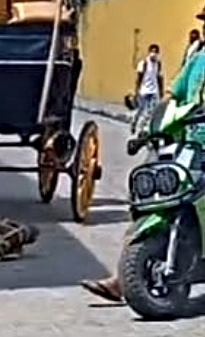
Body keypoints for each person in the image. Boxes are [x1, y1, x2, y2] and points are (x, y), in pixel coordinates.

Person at [81, 45, 205, 303]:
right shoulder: (198, 60)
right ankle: (122, 279)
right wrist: (153, 123)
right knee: (159, 201)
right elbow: (172, 93)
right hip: (190, 145)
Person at [131, 43, 163, 134]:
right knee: (140, 109)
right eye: (152, 51)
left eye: (156, 52)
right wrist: (136, 90)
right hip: (144, 90)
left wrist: (161, 92)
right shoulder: (144, 63)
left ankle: (142, 128)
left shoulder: (158, 64)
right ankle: (134, 122)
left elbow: (159, 78)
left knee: (150, 111)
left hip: (153, 90)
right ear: (149, 52)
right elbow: (139, 77)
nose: (154, 53)